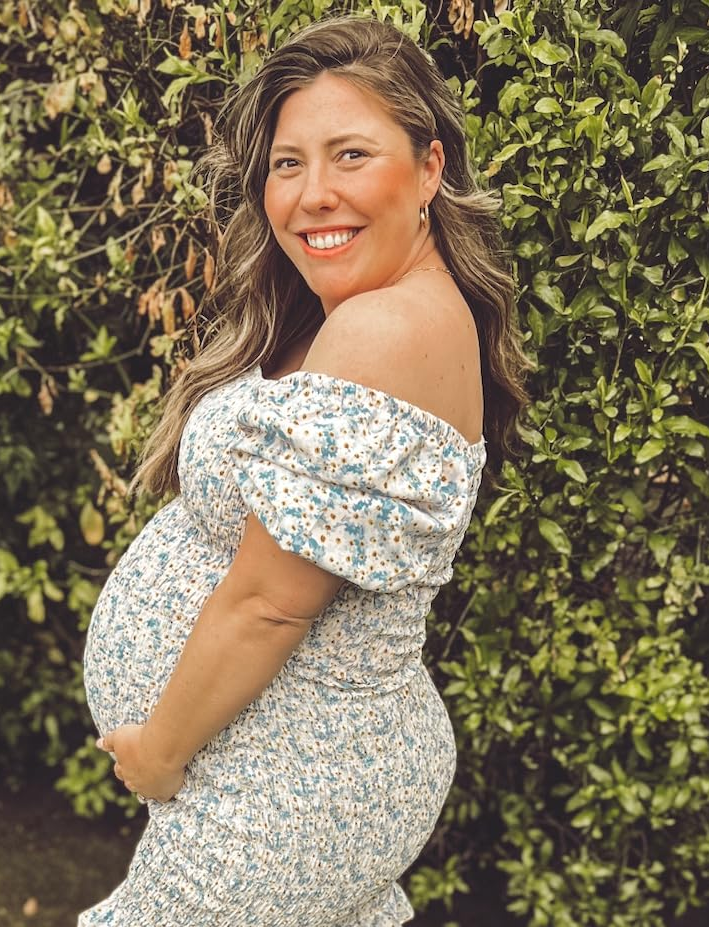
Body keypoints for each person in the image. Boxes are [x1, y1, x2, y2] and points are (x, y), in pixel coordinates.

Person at [79, 14, 529, 926]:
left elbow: (270, 601)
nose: (313, 193)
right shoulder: (371, 312)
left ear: (430, 168)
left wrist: (161, 751)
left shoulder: (384, 328)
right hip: (300, 763)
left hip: (290, 779)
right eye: (289, 164)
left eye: (351, 154)